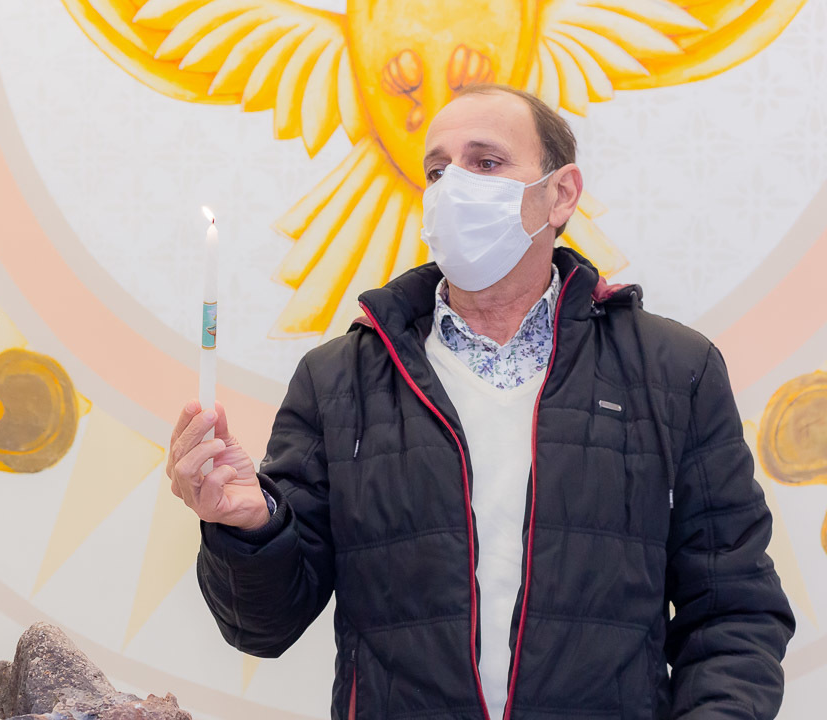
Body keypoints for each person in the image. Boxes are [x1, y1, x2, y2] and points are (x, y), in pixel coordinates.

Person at [166, 84, 795, 720]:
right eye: (437, 171)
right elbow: (262, 627)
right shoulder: (340, 379)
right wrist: (249, 529)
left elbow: (734, 611)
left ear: (560, 193)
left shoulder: (673, 371)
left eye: (486, 163)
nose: (454, 188)